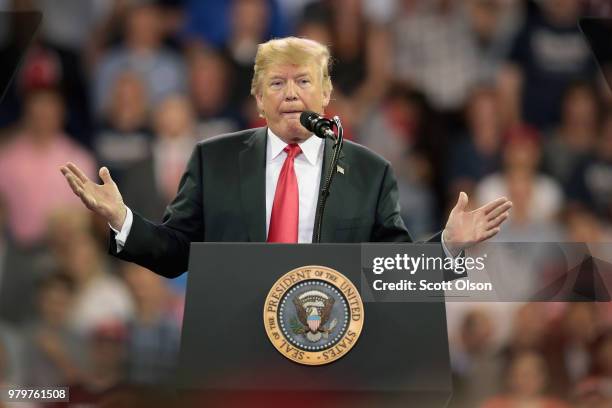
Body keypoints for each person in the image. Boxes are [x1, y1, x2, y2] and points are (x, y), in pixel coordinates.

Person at [60, 37, 512, 278]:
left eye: (304, 82)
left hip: (331, 352)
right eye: (277, 83)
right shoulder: (212, 160)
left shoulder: (369, 172)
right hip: (234, 350)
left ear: (327, 94)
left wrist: (447, 247)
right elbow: (176, 253)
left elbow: (388, 274)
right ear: (258, 99)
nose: (291, 93)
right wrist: (124, 219)